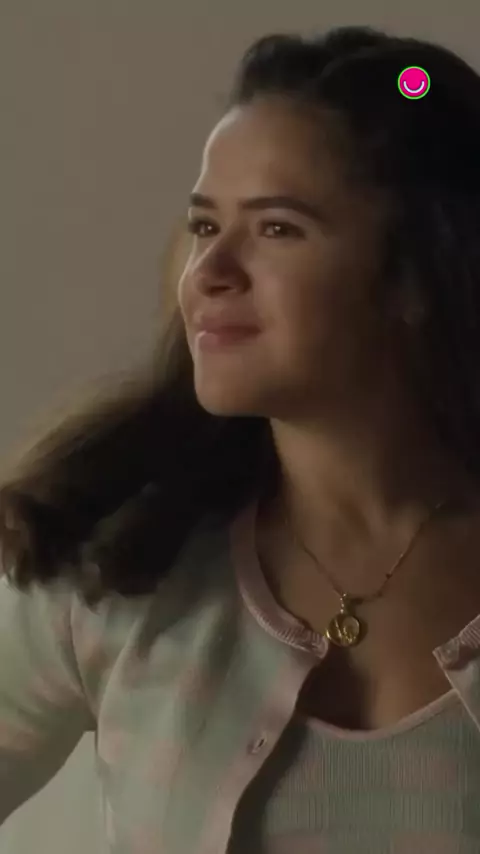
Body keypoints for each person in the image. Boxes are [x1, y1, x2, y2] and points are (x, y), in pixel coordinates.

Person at [1, 24, 480, 852]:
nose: (209, 272)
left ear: (415, 278)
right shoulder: (116, 561)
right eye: (203, 226)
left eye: (277, 229)